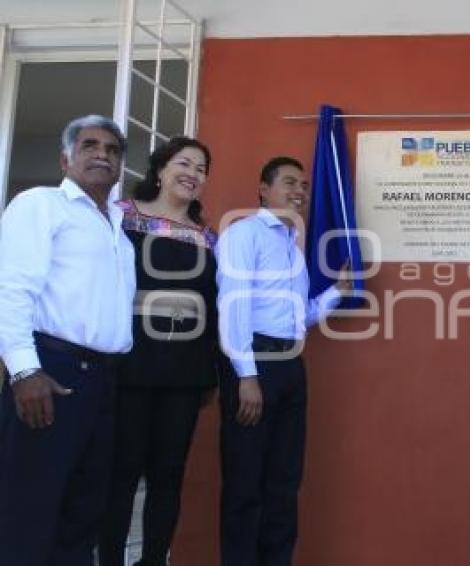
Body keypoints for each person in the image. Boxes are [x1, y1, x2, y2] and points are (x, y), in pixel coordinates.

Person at [0, 115, 135, 566]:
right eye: (90, 145)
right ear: (66, 158)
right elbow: (10, 288)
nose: (103, 154)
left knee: (83, 511)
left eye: (113, 150)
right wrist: (24, 370)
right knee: (28, 509)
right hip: (50, 374)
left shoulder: (118, 228)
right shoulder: (40, 205)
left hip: (104, 383)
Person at [216, 156, 349, 566]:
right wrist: (247, 376)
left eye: (305, 186)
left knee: (283, 482)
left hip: (290, 365)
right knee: (245, 484)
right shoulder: (245, 235)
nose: (300, 192)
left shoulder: (291, 245)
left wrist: (337, 293)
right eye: (289, 182)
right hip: (254, 364)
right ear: (263, 188)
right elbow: (233, 307)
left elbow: (298, 315)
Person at [98, 136, 219, 566]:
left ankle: (153, 560)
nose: (192, 174)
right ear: (161, 169)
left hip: (185, 370)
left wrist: (212, 372)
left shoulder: (208, 237)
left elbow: (215, 305)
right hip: (130, 362)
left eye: (201, 169)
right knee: (122, 472)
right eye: (184, 163)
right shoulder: (122, 218)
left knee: (169, 474)